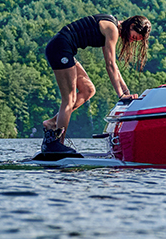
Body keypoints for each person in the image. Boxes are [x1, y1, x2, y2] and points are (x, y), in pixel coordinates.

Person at [42, 14, 150, 144]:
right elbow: (110, 65)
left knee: (88, 90)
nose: (131, 41)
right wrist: (121, 95)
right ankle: (58, 144)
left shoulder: (112, 28)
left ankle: (52, 122)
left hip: (64, 49)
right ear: (131, 26)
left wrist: (126, 92)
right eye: (133, 37)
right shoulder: (113, 29)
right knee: (69, 99)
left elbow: (113, 66)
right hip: (60, 48)